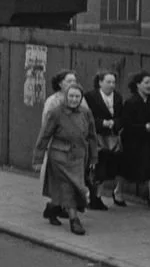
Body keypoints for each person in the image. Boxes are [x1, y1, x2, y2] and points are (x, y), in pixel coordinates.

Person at [34, 81, 99, 236]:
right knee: (68, 188)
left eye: (77, 96)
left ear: (81, 98)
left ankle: (52, 208)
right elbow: (45, 135)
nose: (74, 99)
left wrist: (94, 158)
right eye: (71, 96)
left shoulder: (86, 113)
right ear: (66, 96)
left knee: (75, 188)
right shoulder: (56, 112)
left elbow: (92, 136)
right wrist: (38, 158)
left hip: (79, 158)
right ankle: (74, 220)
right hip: (59, 157)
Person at [84, 70, 125, 208]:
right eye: (108, 82)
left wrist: (115, 123)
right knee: (97, 167)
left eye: (113, 82)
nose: (112, 85)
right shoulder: (90, 97)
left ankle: (106, 194)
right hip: (97, 137)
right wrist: (102, 123)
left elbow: (121, 116)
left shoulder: (118, 97)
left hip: (112, 138)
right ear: (100, 82)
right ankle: (94, 197)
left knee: (110, 167)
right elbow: (87, 117)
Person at [118, 72, 150, 201]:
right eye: (146, 83)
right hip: (133, 141)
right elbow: (126, 124)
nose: (149, 86)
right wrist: (144, 127)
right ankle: (118, 191)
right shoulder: (130, 102)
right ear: (138, 85)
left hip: (147, 140)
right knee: (126, 168)